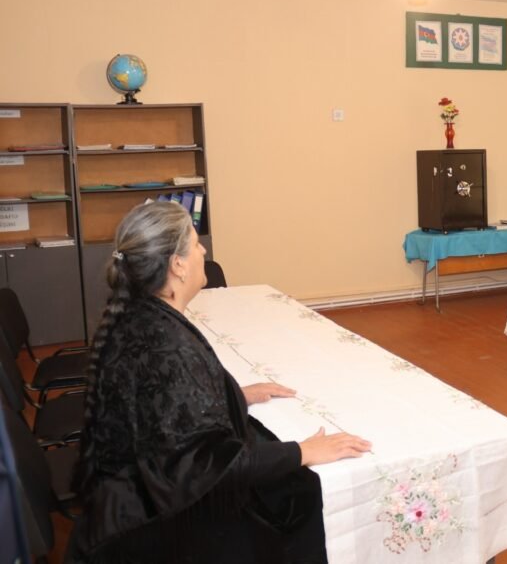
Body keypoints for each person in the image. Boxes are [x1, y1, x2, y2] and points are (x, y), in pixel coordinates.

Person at [70, 201, 371, 563]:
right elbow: (208, 466)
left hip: (127, 500)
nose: (203, 251)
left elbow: (161, 409)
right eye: (196, 244)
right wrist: (303, 451)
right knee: (304, 495)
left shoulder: (138, 316)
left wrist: (232, 394)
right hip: (158, 527)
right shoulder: (168, 348)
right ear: (177, 265)